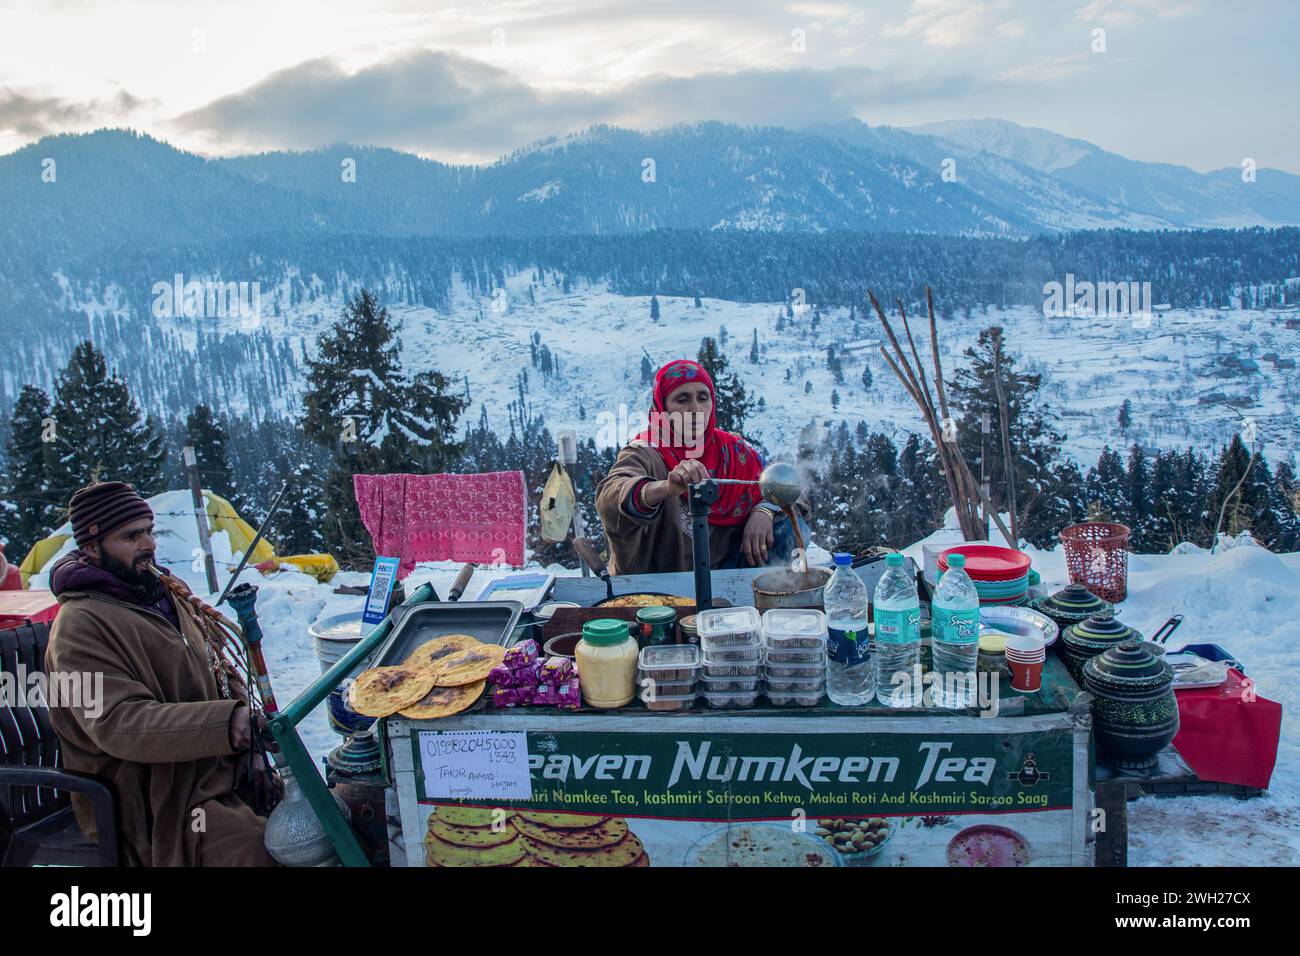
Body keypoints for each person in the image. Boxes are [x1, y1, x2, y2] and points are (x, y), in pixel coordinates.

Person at [44, 481, 281, 866]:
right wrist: (227, 725)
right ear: (90, 547)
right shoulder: (79, 625)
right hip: (155, 802)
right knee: (262, 853)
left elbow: (218, 663)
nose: (148, 543)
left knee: (318, 824)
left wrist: (249, 734)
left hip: (214, 773)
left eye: (149, 531)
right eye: (131, 535)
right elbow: (119, 723)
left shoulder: (162, 594)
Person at [596, 358, 810, 575]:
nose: (695, 409)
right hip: (663, 583)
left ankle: (769, 596)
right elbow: (610, 496)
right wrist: (665, 488)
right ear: (663, 407)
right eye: (682, 400)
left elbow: (789, 485)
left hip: (725, 573)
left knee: (790, 526)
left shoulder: (733, 451)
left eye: (703, 397)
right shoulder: (645, 451)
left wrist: (765, 509)